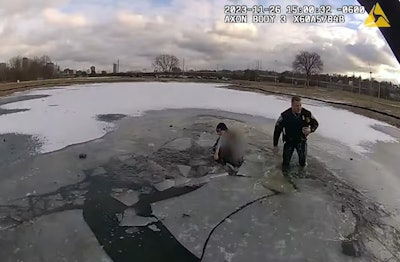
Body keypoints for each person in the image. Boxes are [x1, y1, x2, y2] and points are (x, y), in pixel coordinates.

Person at [273, 96, 319, 171]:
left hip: (301, 141)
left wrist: (310, 130)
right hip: (289, 141)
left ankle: (301, 176)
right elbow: (277, 130)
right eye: (297, 106)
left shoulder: (307, 114)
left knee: (302, 162)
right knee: (285, 163)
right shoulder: (285, 115)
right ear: (292, 105)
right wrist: (275, 145)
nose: (299, 108)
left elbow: (316, 123)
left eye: (300, 105)